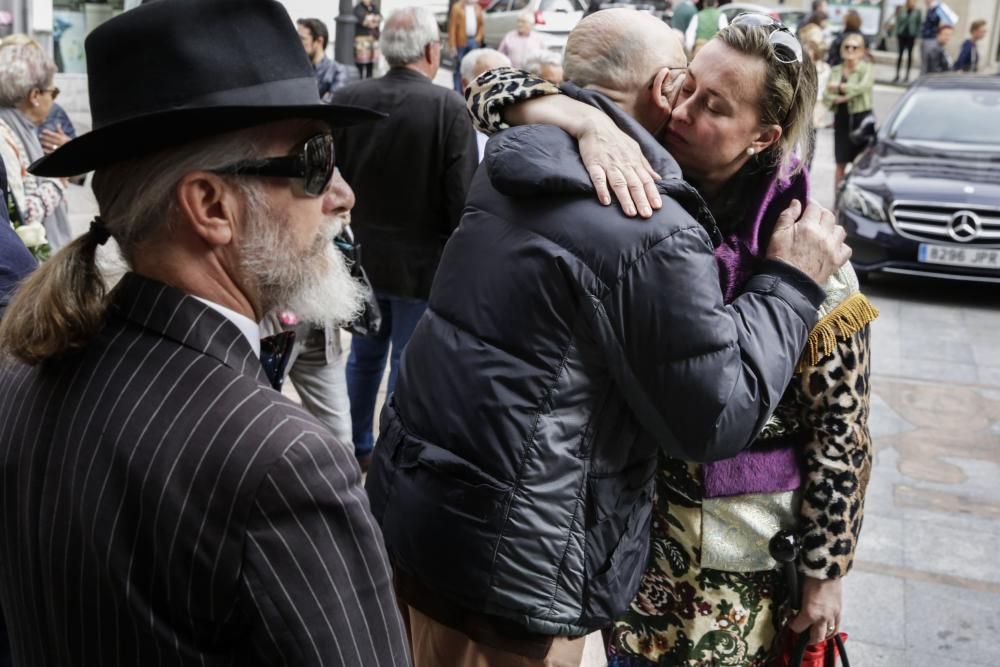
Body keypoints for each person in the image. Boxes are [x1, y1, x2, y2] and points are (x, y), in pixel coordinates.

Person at [367, 9, 853, 667]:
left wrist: (827, 566)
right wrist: (589, 119)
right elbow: (492, 89)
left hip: (739, 553)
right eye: (684, 85)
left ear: (764, 135)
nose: (680, 108)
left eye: (711, 104)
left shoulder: (804, 242)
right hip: (619, 541)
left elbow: (842, 423)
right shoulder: (624, 178)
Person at [0, 1, 411, 665]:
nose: (342, 194)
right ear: (211, 206)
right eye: (314, 161)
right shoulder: (284, 462)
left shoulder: (21, 376)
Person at [332, 7, 478, 471]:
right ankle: (393, 460)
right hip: (423, 266)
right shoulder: (448, 107)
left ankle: (357, 446)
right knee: (405, 369)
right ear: (432, 51)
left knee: (364, 359)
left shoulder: (349, 97)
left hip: (361, 261)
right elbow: (463, 201)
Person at [0, 43, 70, 251]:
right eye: (53, 92)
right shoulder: (5, 138)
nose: (53, 100)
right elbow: (21, 215)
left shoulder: (22, 129)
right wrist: (57, 181)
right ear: (35, 96)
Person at [825, 32, 873, 198]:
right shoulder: (837, 69)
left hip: (861, 119)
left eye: (855, 47)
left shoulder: (866, 68)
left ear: (862, 51)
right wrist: (842, 93)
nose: (850, 50)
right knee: (840, 163)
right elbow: (826, 96)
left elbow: (862, 88)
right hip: (842, 119)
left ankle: (856, 199)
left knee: (861, 163)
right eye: (847, 46)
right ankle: (837, 200)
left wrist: (839, 88)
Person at [460, 48, 512, 160]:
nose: (499, 90)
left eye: (504, 81)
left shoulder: (518, 127)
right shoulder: (454, 125)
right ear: (465, 85)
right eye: (489, 82)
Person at [297, 17, 352, 101]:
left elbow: (331, 106)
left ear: (319, 41)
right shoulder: (296, 69)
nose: (297, 43)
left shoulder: (337, 71)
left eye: (302, 39)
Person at [448, 0, 484, 92]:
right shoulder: (457, 7)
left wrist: (478, 39)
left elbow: (481, 26)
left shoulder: (478, 8)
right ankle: (457, 90)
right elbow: (452, 27)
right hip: (461, 42)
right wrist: (452, 45)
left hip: (473, 41)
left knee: (472, 67)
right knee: (459, 67)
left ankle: (469, 90)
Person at [894, 0, 921, 82]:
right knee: (900, 55)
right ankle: (897, 75)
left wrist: (917, 36)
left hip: (911, 36)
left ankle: (907, 75)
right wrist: (896, 32)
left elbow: (918, 24)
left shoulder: (917, 12)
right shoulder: (902, 10)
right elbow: (898, 22)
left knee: (909, 56)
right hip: (902, 34)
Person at [354, 0, 382, 79]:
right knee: (361, 63)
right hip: (362, 40)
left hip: (372, 39)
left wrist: (371, 19)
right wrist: (373, 19)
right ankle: (360, 82)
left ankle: (368, 80)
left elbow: (380, 18)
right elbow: (364, 21)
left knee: (370, 63)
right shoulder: (358, 8)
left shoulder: (373, 7)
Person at [919, 0, 944, 74]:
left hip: (931, 38)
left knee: (929, 64)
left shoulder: (937, 8)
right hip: (925, 38)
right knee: (924, 63)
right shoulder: (930, 9)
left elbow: (934, 20)